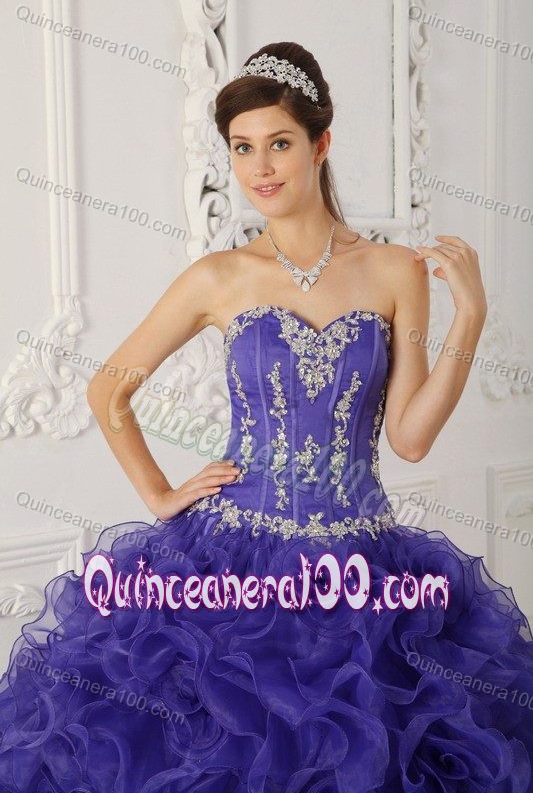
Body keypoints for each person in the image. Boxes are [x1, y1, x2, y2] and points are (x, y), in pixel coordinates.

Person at [0, 40, 531, 793]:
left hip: (362, 571)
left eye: (279, 143)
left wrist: (469, 317)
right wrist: (159, 495)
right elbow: (107, 392)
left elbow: (410, 440)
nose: (260, 168)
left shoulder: (393, 271)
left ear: (321, 143)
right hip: (230, 566)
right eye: (242, 148)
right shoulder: (219, 278)